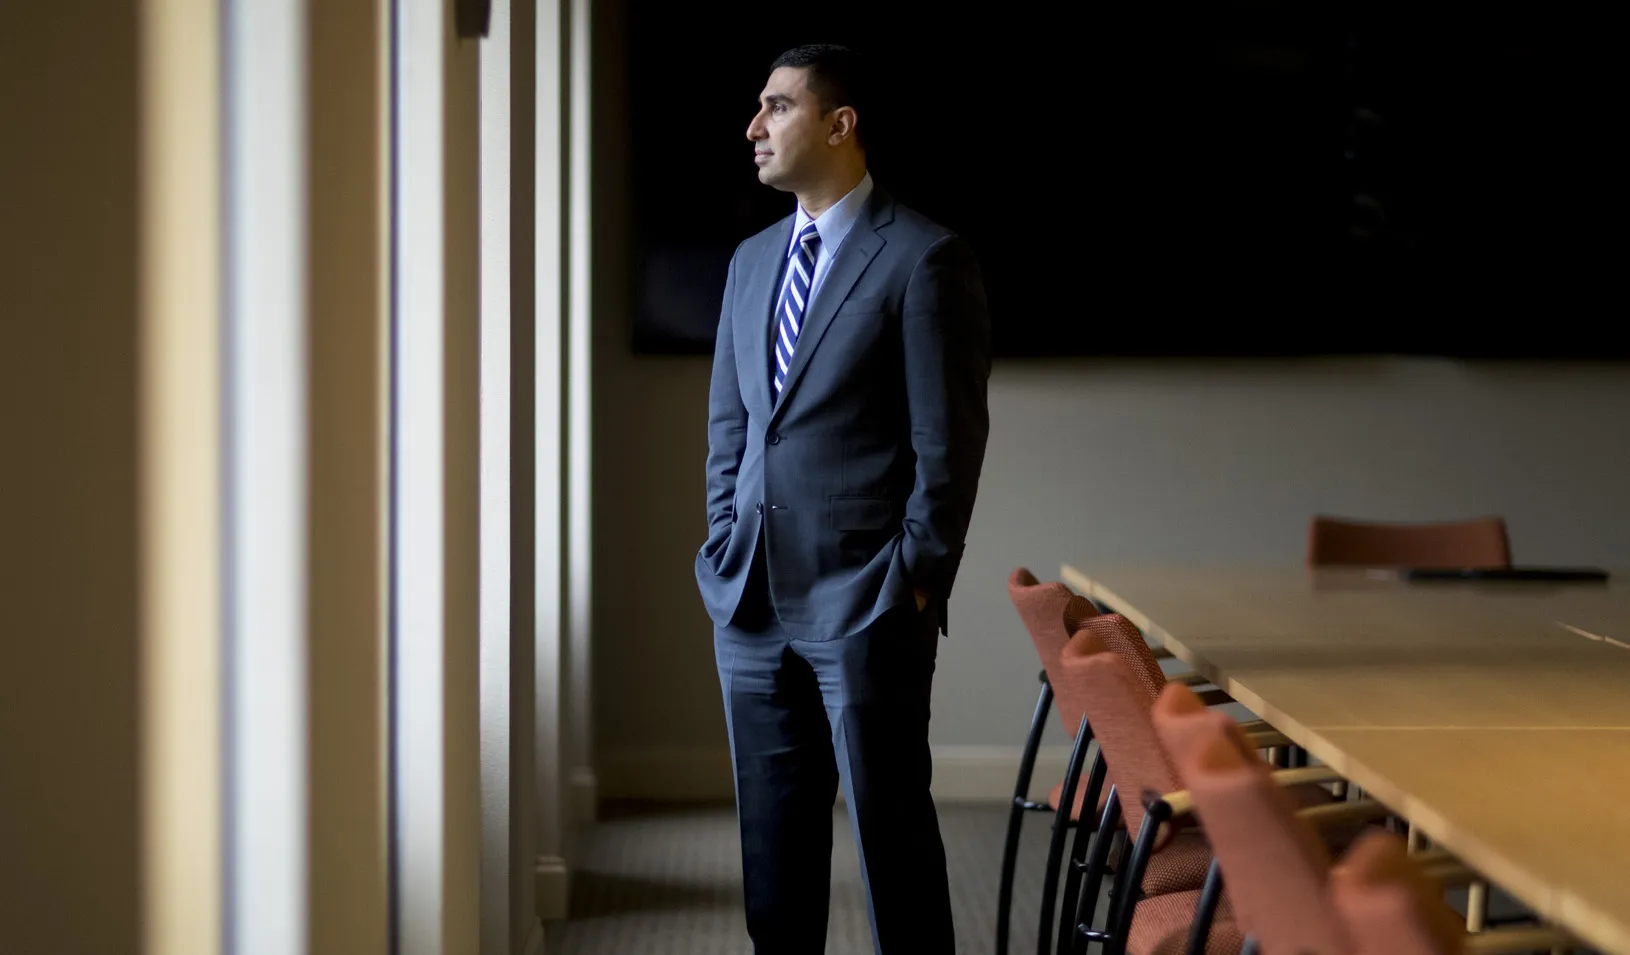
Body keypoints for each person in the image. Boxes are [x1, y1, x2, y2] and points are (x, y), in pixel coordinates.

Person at [693, 42, 992, 954]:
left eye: (776, 107)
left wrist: (913, 577)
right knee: (772, 856)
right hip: (749, 600)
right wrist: (721, 541)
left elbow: (950, 443)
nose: (755, 127)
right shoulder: (750, 262)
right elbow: (732, 429)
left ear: (840, 123)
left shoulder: (923, 259)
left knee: (892, 843)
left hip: (865, 601)